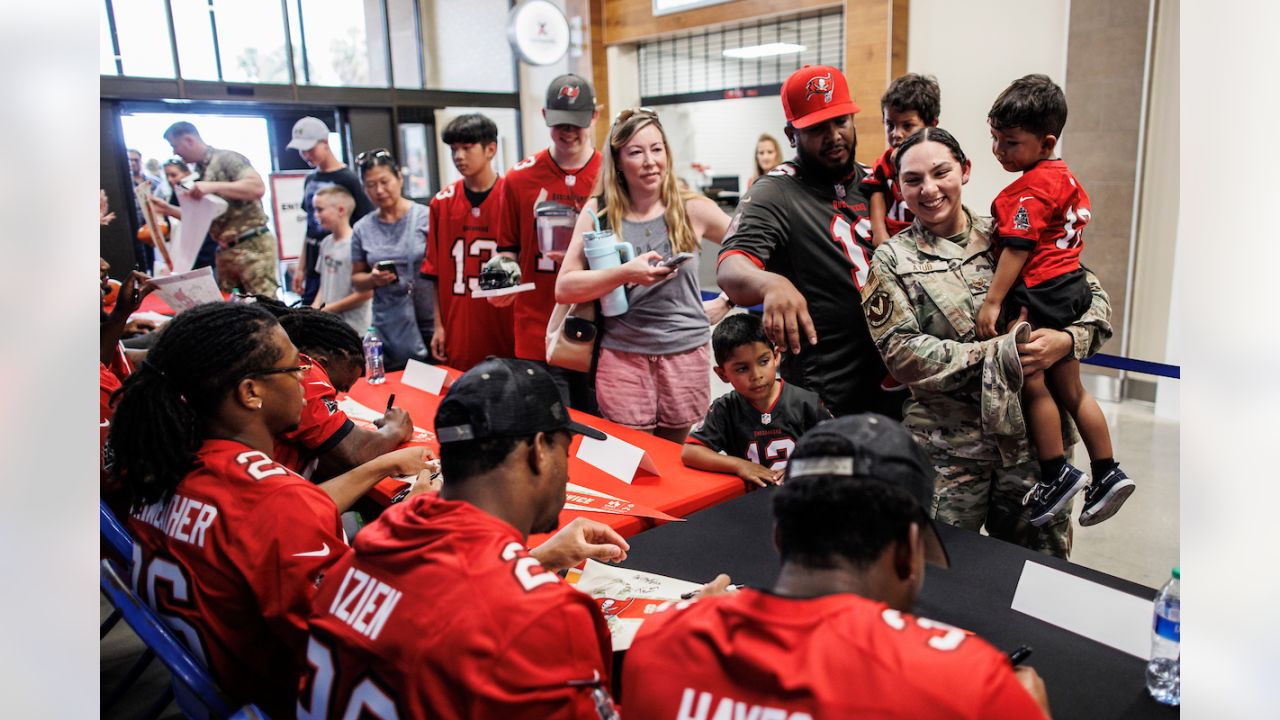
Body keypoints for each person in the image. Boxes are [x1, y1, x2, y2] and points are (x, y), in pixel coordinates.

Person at [109, 302, 431, 718]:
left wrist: (384, 465)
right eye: (294, 367)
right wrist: (415, 520)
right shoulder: (276, 505)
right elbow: (363, 644)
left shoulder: (168, 466)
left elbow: (270, 517)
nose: (305, 378)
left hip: (217, 689)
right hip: (290, 699)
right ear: (250, 392)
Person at [623, 414, 1051, 719]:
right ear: (908, 551)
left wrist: (699, 619)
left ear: (778, 536)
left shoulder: (662, 642)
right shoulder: (973, 687)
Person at [300, 358, 628, 719]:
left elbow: (438, 606)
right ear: (538, 450)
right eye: (564, 451)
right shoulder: (545, 616)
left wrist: (534, 560)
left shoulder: (370, 544)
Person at [860, 127, 1113, 557]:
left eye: (941, 172)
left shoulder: (1013, 234)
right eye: (913, 180)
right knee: (940, 579)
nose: (929, 189)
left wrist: (1067, 341)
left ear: (965, 170)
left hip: (1036, 455)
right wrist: (1001, 354)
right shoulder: (891, 260)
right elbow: (902, 354)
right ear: (899, 187)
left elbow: (1092, 297)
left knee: (1036, 579)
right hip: (949, 455)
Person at [980, 74, 1134, 527]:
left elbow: (1018, 247)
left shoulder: (1028, 190)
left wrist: (993, 301)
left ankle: (1055, 472)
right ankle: (1107, 471)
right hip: (1069, 287)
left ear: (1045, 142)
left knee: (1033, 385)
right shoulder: (1065, 178)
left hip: (1039, 291)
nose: (999, 152)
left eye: (1010, 143)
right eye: (994, 139)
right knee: (1072, 390)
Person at [716, 65, 900, 419]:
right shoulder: (776, 191)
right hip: (827, 391)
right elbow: (730, 266)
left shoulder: (877, 181)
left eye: (841, 122)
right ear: (791, 134)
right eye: (817, 128)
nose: (833, 136)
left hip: (896, 376)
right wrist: (770, 282)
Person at [555, 107, 732, 442]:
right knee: (633, 459)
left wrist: (727, 300)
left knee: (675, 460)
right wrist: (625, 272)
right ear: (619, 161)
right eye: (636, 152)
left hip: (685, 355)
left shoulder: (691, 208)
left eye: (657, 149)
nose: (650, 161)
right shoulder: (600, 213)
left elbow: (753, 249)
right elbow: (564, 287)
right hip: (624, 358)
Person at [493, 74, 604, 410]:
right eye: (560, 124)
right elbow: (506, 247)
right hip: (537, 326)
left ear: (594, 116)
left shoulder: (610, 173)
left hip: (598, 324)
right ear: (544, 116)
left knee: (600, 432)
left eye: (577, 124)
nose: (569, 132)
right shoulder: (519, 178)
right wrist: (501, 281)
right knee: (549, 428)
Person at [682, 313, 830, 487]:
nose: (756, 375)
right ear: (722, 374)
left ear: (776, 357)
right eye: (742, 369)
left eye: (763, 361)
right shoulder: (725, 408)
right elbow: (690, 452)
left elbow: (839, 448)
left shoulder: (806, 402)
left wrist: (803, 466)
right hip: (750, 503)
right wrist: (740, 465)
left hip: (803, 496)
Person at [421, 112, 515, 372]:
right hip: (460, 322)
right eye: (454, 149)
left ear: (491, 149)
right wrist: (438, 326)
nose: (458, 156)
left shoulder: (512, 198)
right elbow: (435, 274)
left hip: (503, 322)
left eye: (467, 147)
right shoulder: (442, 202)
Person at [152, 121, 280, 295]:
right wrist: (166, 208)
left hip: (251, 246)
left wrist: (213, 186)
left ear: (189, 140)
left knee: (267, 306)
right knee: (233, 311)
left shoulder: (227, 159)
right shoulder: (198, 171)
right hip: (225, 251)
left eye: (175, 145)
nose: (175, 152)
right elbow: (201, 219)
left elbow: (257, 187)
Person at [350, 149, 432, 370]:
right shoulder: (362, 229)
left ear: (399, 177)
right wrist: (373, 279)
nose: (379, 190)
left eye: (384, 181)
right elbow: (356, 279)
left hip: (431, 319)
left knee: (437, 387)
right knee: (402, 387)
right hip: (393, 324)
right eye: (370, 185)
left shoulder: (427, 217)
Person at [287, 116, 375, 305]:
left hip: (341, 263)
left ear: (325, 143)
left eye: (310, 149)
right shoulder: (310, 180)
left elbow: (365, 225)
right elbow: (309, 227)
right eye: (302, 151)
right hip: (315, 263)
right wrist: (301, 266)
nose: (307, 155)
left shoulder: (349, 179)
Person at [863, 73, 941, 247]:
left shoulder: (940, 160)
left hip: (930, 240)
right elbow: (877, 192)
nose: (896, 134)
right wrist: (879, 232)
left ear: (931, 125)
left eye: (907, 126)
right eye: (890, 125)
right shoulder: (885, 161)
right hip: (893, 241)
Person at [310, 185, 372, 334]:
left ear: (341, 210)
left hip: (354, 327)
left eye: (320, 210)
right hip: (330, 324)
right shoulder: (326, 243)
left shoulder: (357, 245)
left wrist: (331, 308)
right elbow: (324, 283)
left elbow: (367, 292)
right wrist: (314, 308)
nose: (316, 215)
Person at [161, 157, 218, 270]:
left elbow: (198, 217)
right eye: (167, 176)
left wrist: (167, 209)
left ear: (187, 172)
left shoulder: (196, 189)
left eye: (174, 175)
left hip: (205, 250)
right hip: (187, 252)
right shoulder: (175, 193)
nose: (170, 179)